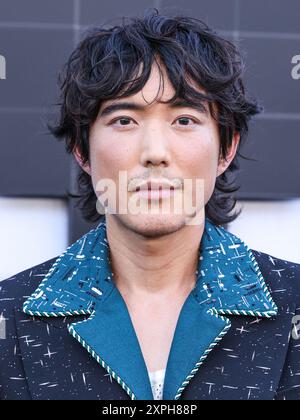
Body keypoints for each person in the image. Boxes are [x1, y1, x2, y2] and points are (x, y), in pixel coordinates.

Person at [0, 10, 299, 401]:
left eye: (185, 120)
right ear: (82, 150)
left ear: (226, 148)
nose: (155, 153)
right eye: (124, 120)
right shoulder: (11, 314)